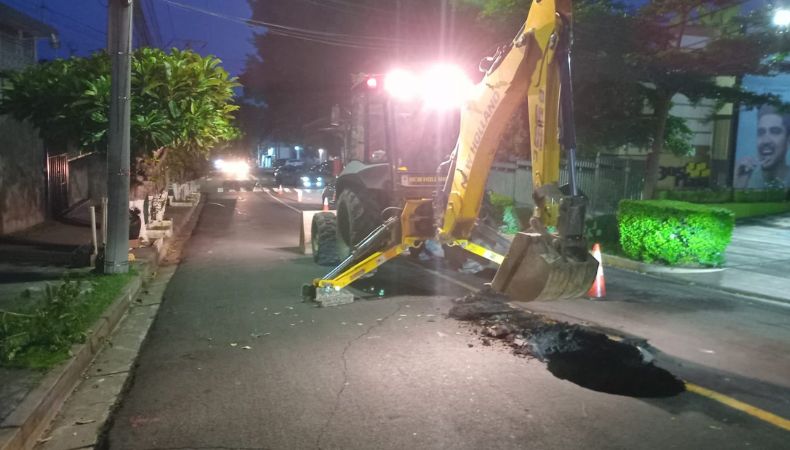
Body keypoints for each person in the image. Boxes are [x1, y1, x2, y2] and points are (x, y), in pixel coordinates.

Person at [734, 105, 790, 189]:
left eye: (775, 131)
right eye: (761, 132)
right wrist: (740, 183)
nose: (765, 141)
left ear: (788, 140)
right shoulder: (745, 176)